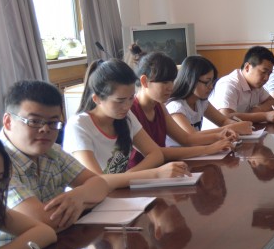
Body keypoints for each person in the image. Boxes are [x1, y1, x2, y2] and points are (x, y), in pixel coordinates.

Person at [0, 81, 109, 249]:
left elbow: (100, 184)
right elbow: (42, 221)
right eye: (34, 121)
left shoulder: (51, 151)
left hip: (51, 246)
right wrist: (84, 201)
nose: (45, 129)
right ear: (8, 122)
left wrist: (79, 196)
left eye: (53, 123)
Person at [63, 59, 190, 190]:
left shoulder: (126, 116)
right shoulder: (79, 125)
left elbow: (155, 154)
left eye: (131, 98)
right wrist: (155, 174)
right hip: (88, 200)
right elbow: (97, 181)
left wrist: (126, 177)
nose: (127, 106)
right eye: (120, 101)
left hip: (117, 193)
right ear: (97, 99)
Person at [130, 51, 236, 168]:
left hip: (160, 169)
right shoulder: (131, 111)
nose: (170, 87)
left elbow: (186, 139)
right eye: (164, 82)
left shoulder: (159, 106)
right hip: (139, 174)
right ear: (144, 81)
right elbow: (158, 152)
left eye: (172, 81)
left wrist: (218, 136)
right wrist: (208, 148)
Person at [166, 56, 251, 142]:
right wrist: (231, 128)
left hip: (198, 149)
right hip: (181, 150)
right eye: (207, 82)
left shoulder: (200, 101)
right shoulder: (176, 107)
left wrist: (236, 125)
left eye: (212, 82)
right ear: (190, 79)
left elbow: (223, 121)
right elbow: (192, 137)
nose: (211, 87)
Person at [210, 46, 274, 123]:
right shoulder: (229, 84)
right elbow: (226, 117)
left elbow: (273, 103)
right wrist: (264, 116)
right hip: (218, 130)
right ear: (247, 67)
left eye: (269, 74)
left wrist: (257, 110)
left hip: (243, 128)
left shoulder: (256, 85)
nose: (266, 78)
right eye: (263, 72)